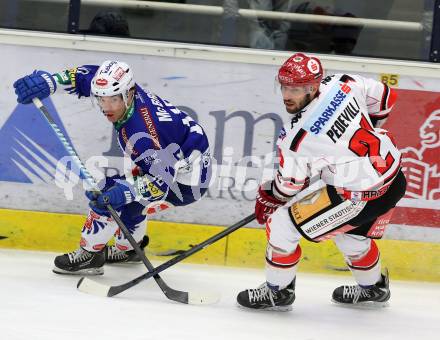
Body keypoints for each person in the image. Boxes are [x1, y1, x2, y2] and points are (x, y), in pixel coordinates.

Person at [236, 52, 406, 310]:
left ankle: (277, 292)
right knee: (351, 237)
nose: (287, 95)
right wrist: (360, 133)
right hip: (393, 178)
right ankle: (373, 288)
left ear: (313, 86)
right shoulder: (343, 83)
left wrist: (268, 197)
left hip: (359, 195)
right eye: (284, 86)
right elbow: (385, 97)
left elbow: (288, 186)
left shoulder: (297, 138)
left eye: (296, 88)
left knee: (281, 224)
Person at [13, 61, 211, 275]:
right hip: (181, 160)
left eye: (113, 100)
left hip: (185, 183)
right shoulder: (125, 92)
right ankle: (127, 251)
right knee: (128, 199)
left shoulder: (140, 134)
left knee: (107, 195)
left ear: (128, 94)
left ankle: (89, 255)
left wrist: (126, 192)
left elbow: (160, 184)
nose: (106, 107)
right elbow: (87, 75)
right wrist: (50, 81)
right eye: (101, 99)